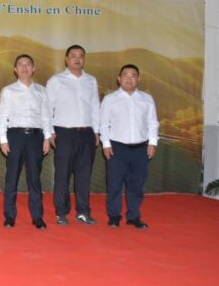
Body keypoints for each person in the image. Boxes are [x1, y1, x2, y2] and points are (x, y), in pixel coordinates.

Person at [46, 44, 100, 225]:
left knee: (84, 175)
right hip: (64, 133)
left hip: (86, 133)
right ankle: (61, 212)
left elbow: (95, 107)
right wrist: (50, 132)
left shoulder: (91, 80)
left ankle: (83, 211)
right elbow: (48, 108)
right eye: (73, 56)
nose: (77, 59)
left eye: (80, 56)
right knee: (62, 174)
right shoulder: (56, 80)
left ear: (84, 59)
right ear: (66, 59)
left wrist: (96, 131)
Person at [100, 64, 159, 229]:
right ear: (119, 79)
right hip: (117, 148)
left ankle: (134, 216)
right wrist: (106, 144)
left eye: (133, 75)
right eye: (125, 75)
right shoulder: (110, 99)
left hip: (141, 148)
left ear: (138, 79)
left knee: (136, 185)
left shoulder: (147, 99)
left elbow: (152, 122)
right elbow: (103, 123)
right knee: (114, 184)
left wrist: (153, 143)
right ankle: (114, 216)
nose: (129, 78)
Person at [0, 54, 51, 229]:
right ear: (15, 70)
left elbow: (46, 116)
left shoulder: (41, 91)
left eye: (28, 64)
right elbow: (2, 116)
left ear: (33, 68)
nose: (24, 67)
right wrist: (3, 139)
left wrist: (47, 137)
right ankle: (9, 216)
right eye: (20, 64)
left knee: (34, 178)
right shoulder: (8, 91)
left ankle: (37, 217)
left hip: (36, 137)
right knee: (12, 177)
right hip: (15, 136)